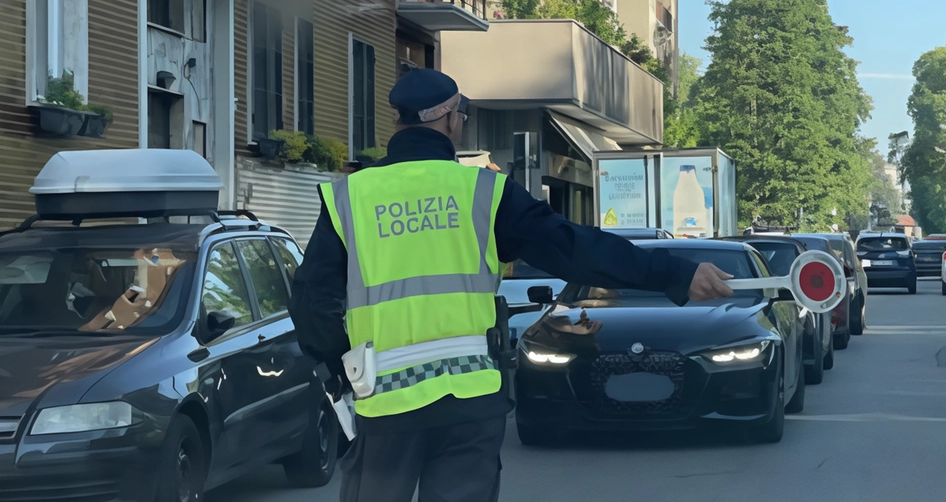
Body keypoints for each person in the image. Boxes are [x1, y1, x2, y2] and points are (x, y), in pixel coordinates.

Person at [287, 68, 734, 502]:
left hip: (384, 407)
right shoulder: (483, 191)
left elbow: (311, 302)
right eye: (462, 113)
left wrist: (347, 370)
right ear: (447, 118)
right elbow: (571, 247)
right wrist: (675, 274)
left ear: (400, 122)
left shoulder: (351, 196)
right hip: (468, 402)